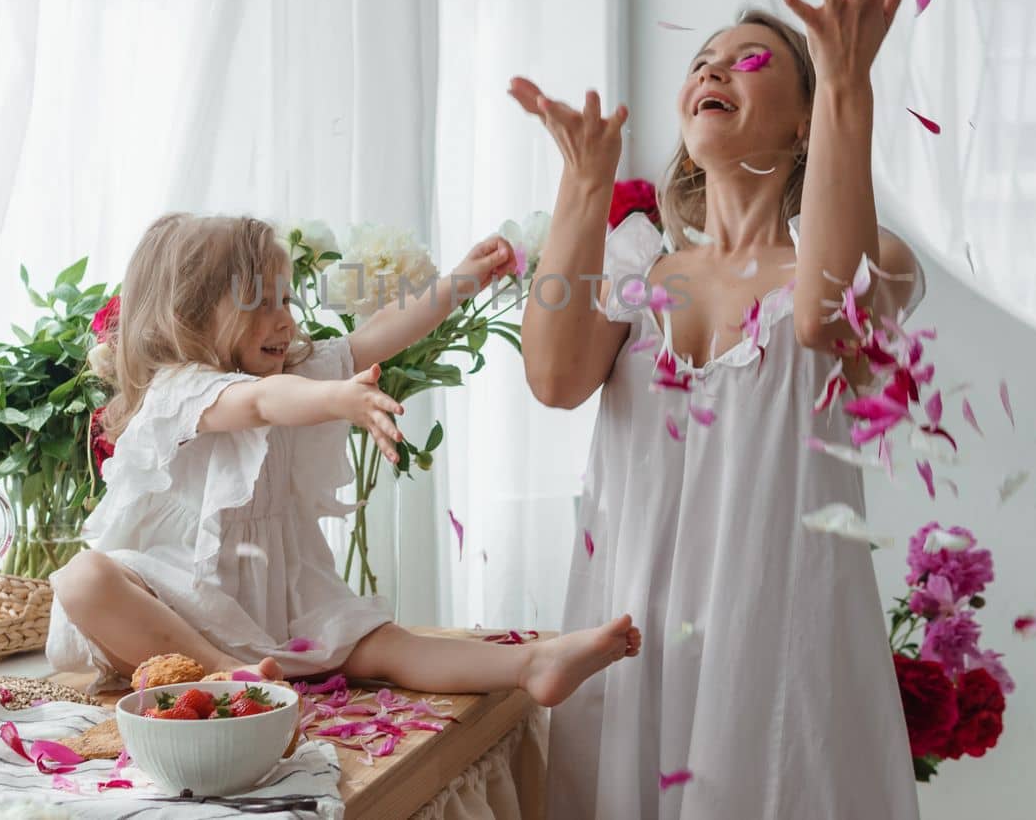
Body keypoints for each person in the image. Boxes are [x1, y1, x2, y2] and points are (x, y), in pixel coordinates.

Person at [514, 0, 926, 818]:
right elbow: (553, 378)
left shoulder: (876, 260)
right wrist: (583, 187)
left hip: (775, 638)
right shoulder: (640, 265)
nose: (713, 69)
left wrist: (851, 87)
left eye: (748, 59)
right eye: (702, 60)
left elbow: (823, 319)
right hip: (632, 635)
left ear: (805, 120)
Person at [47, 212, 642, 704]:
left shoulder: (291, 366)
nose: (285, 319)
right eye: (261, 304)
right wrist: (337, 396)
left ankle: (532, 665)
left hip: (288, 596)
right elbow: (257, 405)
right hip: (180, 606)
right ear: (192, 313)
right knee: (82, 579)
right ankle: (224, 670)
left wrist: (462, 281)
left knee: (388, 645)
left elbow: (380, 333)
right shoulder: (183, 388)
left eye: (285, 299)